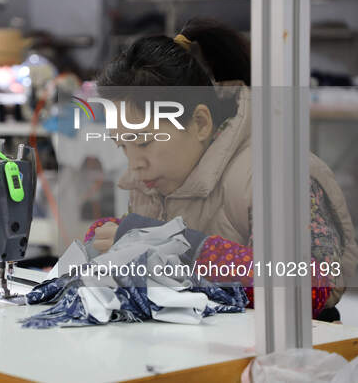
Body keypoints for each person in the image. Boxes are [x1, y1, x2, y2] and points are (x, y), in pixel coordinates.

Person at [87, 18, 358, 322]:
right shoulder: (149, 182)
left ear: (200, 124)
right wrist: (110, 243)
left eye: (145, 142)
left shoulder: (275, 176)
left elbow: (307, 288)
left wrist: (178, 249)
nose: (134, 163)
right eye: (123, 146)